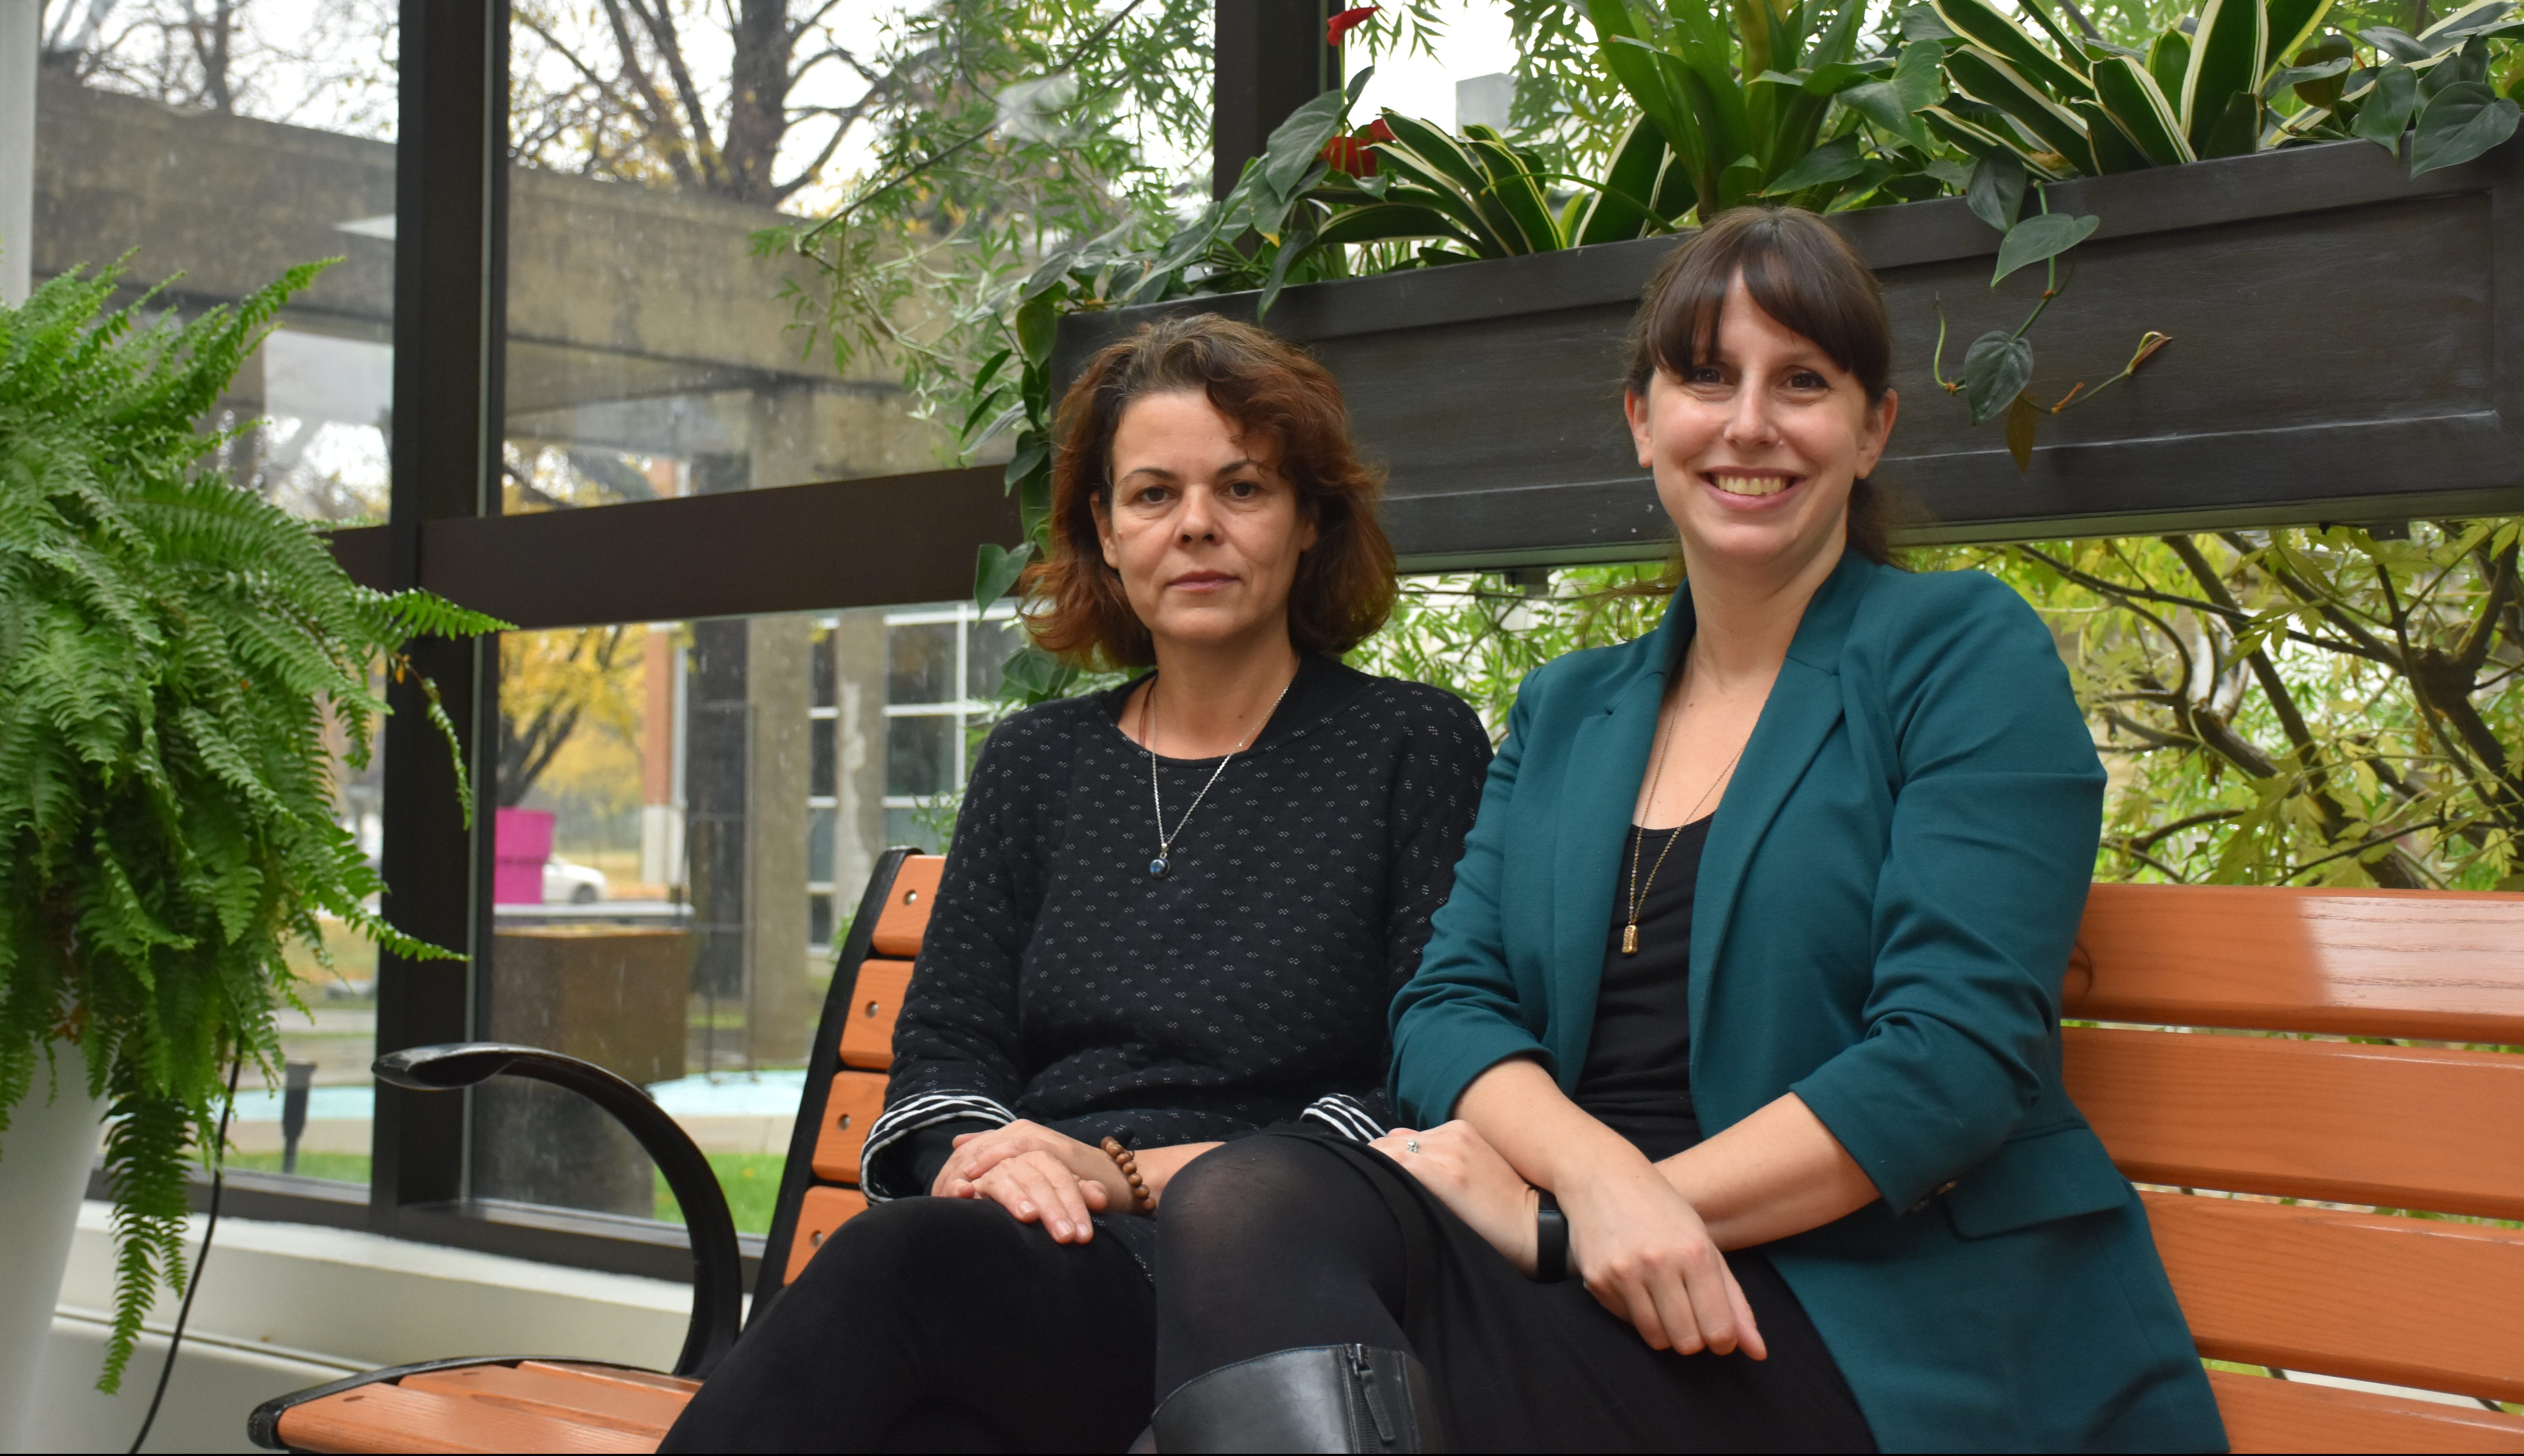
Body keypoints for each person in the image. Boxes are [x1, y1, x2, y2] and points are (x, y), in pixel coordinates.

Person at [1146, 209, 2226, 1453]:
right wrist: (1596, 1189)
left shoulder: (1961, 654)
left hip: (1869, 1305)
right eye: (1707, 377)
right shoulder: (1569, 705)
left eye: (1803, 382)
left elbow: (1953, 1056)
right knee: (1247, 1206)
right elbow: (1448, 1004)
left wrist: (1595, 1219)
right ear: (1643, 423)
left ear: (1872, 428)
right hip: (1582, 1250)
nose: (1751, 424)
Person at [658, 313, 1493, 1453]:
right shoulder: (1037, 764)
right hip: (1034, 1263)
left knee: (901, 1286)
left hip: (1263, 1280)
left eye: (1241, 488)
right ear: (1102, 532)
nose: (1195, 526)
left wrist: (1120, 1176)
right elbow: (943, 1056)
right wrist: (994, 1162)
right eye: (1153, 495)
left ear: (1309, 520)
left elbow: (1425, 1087)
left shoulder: (1410, 746)